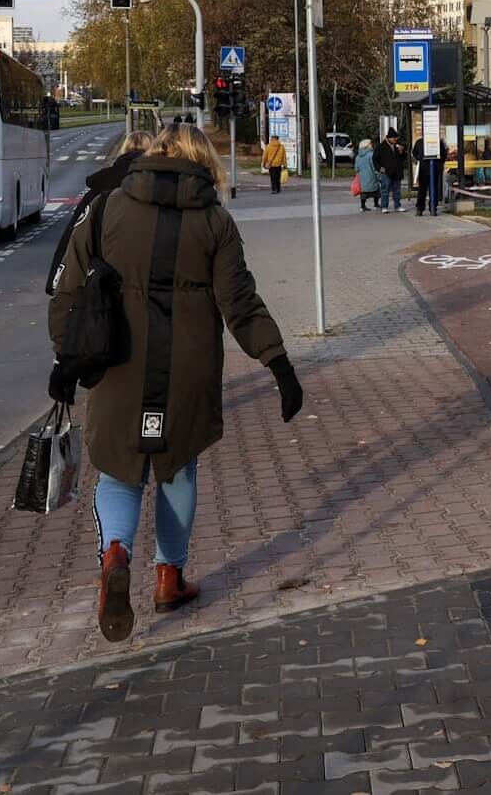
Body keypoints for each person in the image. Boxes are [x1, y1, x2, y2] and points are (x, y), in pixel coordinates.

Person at [46, 122, 303, 644]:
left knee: (118, 472)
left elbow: (67, 294)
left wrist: (68, 360)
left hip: (118, 363)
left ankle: (116, 553)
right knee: (177, 468)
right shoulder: (215, 221)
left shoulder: (106, 209)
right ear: (205, 162)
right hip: (187, 368)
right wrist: (279, 365)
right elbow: (240, 304)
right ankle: (169, 578)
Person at [44, 129, 154, 296]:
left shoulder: (98, 190)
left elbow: (73, 236)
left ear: (123, 151)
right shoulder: (157, 186)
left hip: (103, 286)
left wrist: (55, 281)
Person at [375, 128, 407, 212]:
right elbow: (375, 160)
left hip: (397, 172)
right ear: (389, 138)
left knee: (397, 191)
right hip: (386, 172)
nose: (395, 140)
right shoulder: (381, 147)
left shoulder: (398, 146)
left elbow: (404, 158)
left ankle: (397, 206)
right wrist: (380, 169)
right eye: (394, 138)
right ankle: (384, 207)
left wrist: (402, 152)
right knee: (385, 190)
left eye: (396, 138)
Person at [354, 139, 378, 211]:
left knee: (363, 192)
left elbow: (356, 168)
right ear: (367, 145)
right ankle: (376, 204)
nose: (372, 145)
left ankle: (362, 206)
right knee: (376, 191)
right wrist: (377, 172)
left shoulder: (358, 156)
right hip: (371, 176)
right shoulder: (371, 154)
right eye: (370, 144)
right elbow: (374, 166)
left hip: (362, 177)